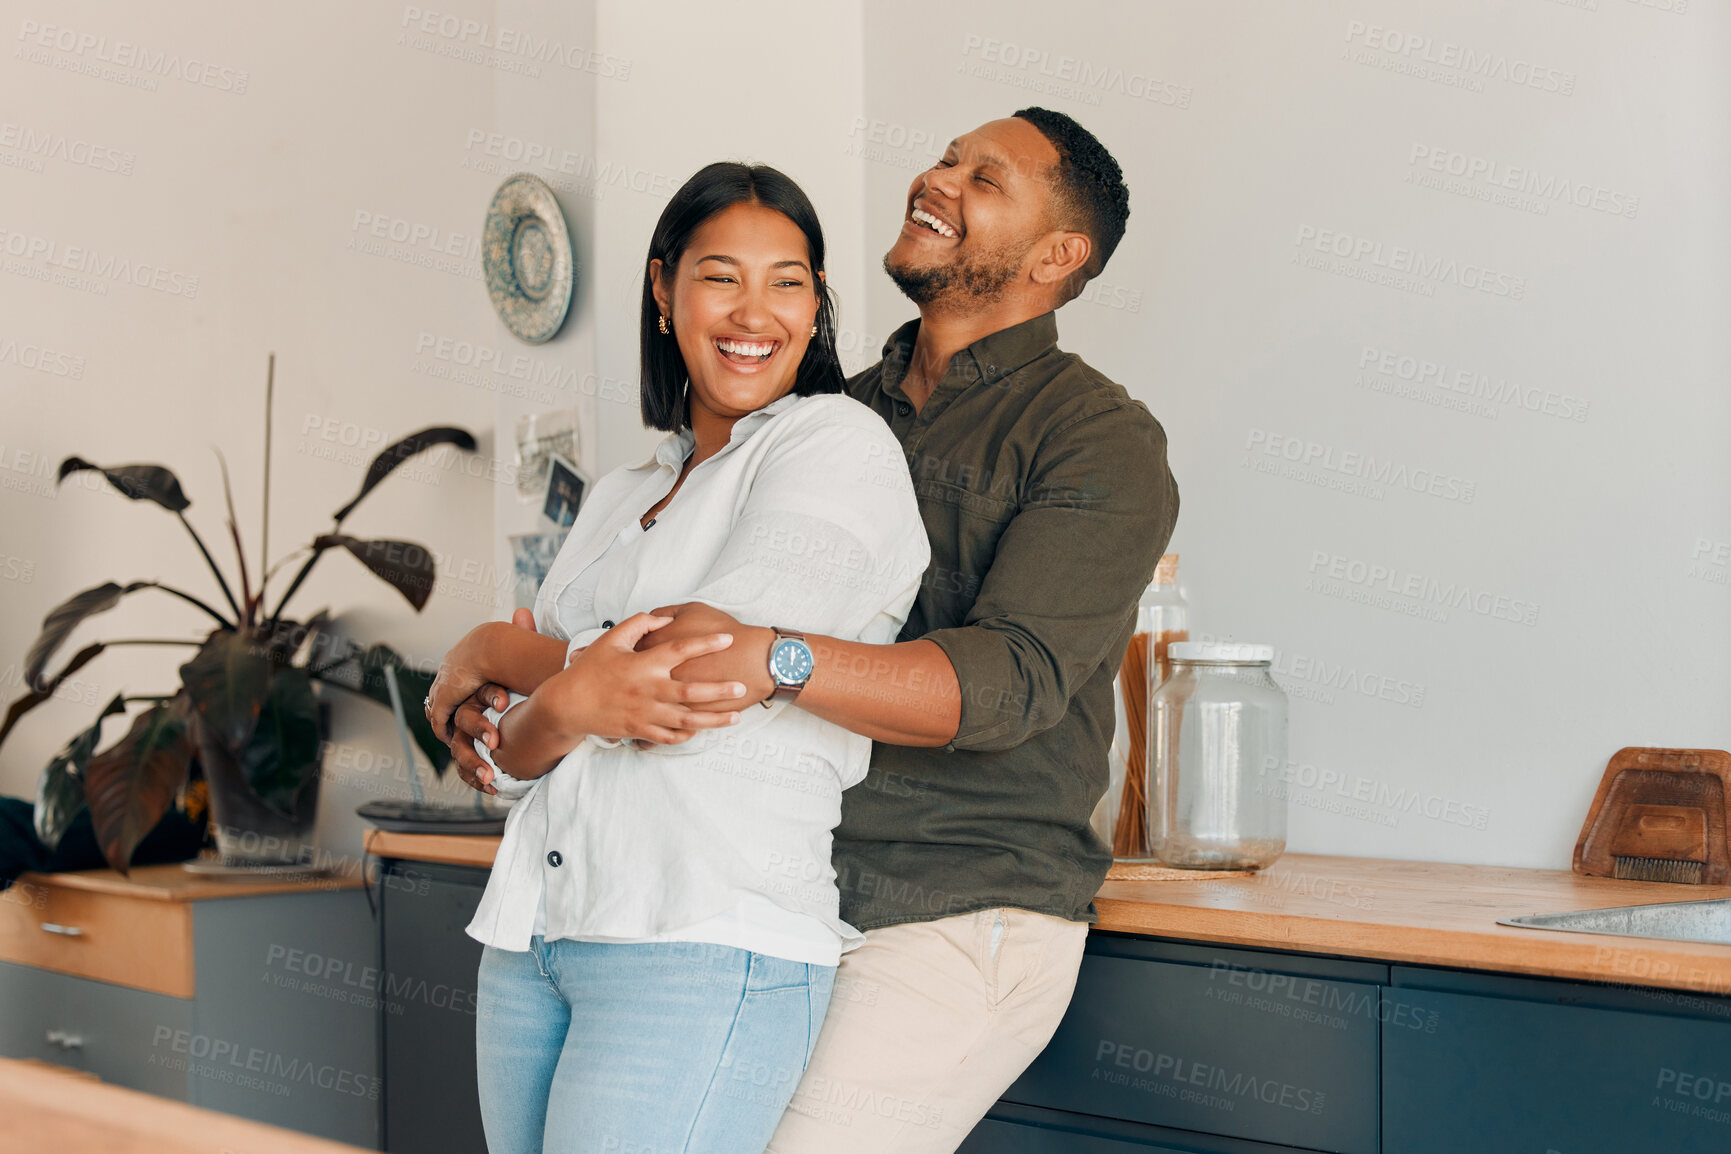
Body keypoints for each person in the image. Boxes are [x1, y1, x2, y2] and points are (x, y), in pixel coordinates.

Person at [439, 106, 1179, 1154]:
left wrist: (767, 657)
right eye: (946, 156)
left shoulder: (1094, 435)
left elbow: (1006, 683)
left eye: (985, 178)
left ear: (1059, 255)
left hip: (959, 907)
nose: (938, 177)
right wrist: (523, 680)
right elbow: (632, 657)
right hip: (815, 883)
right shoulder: (835, 413)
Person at [429, 161, 929, 1154]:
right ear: (663, 290)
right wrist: (563, 702)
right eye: (720, 275)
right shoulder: (623, 491)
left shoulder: (835, 444)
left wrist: (492, 647)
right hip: (534, 932)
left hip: (705, 938)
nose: (756, 311)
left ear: (818, 305)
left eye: (788, 280)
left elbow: (701, 670)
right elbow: (515, 758)